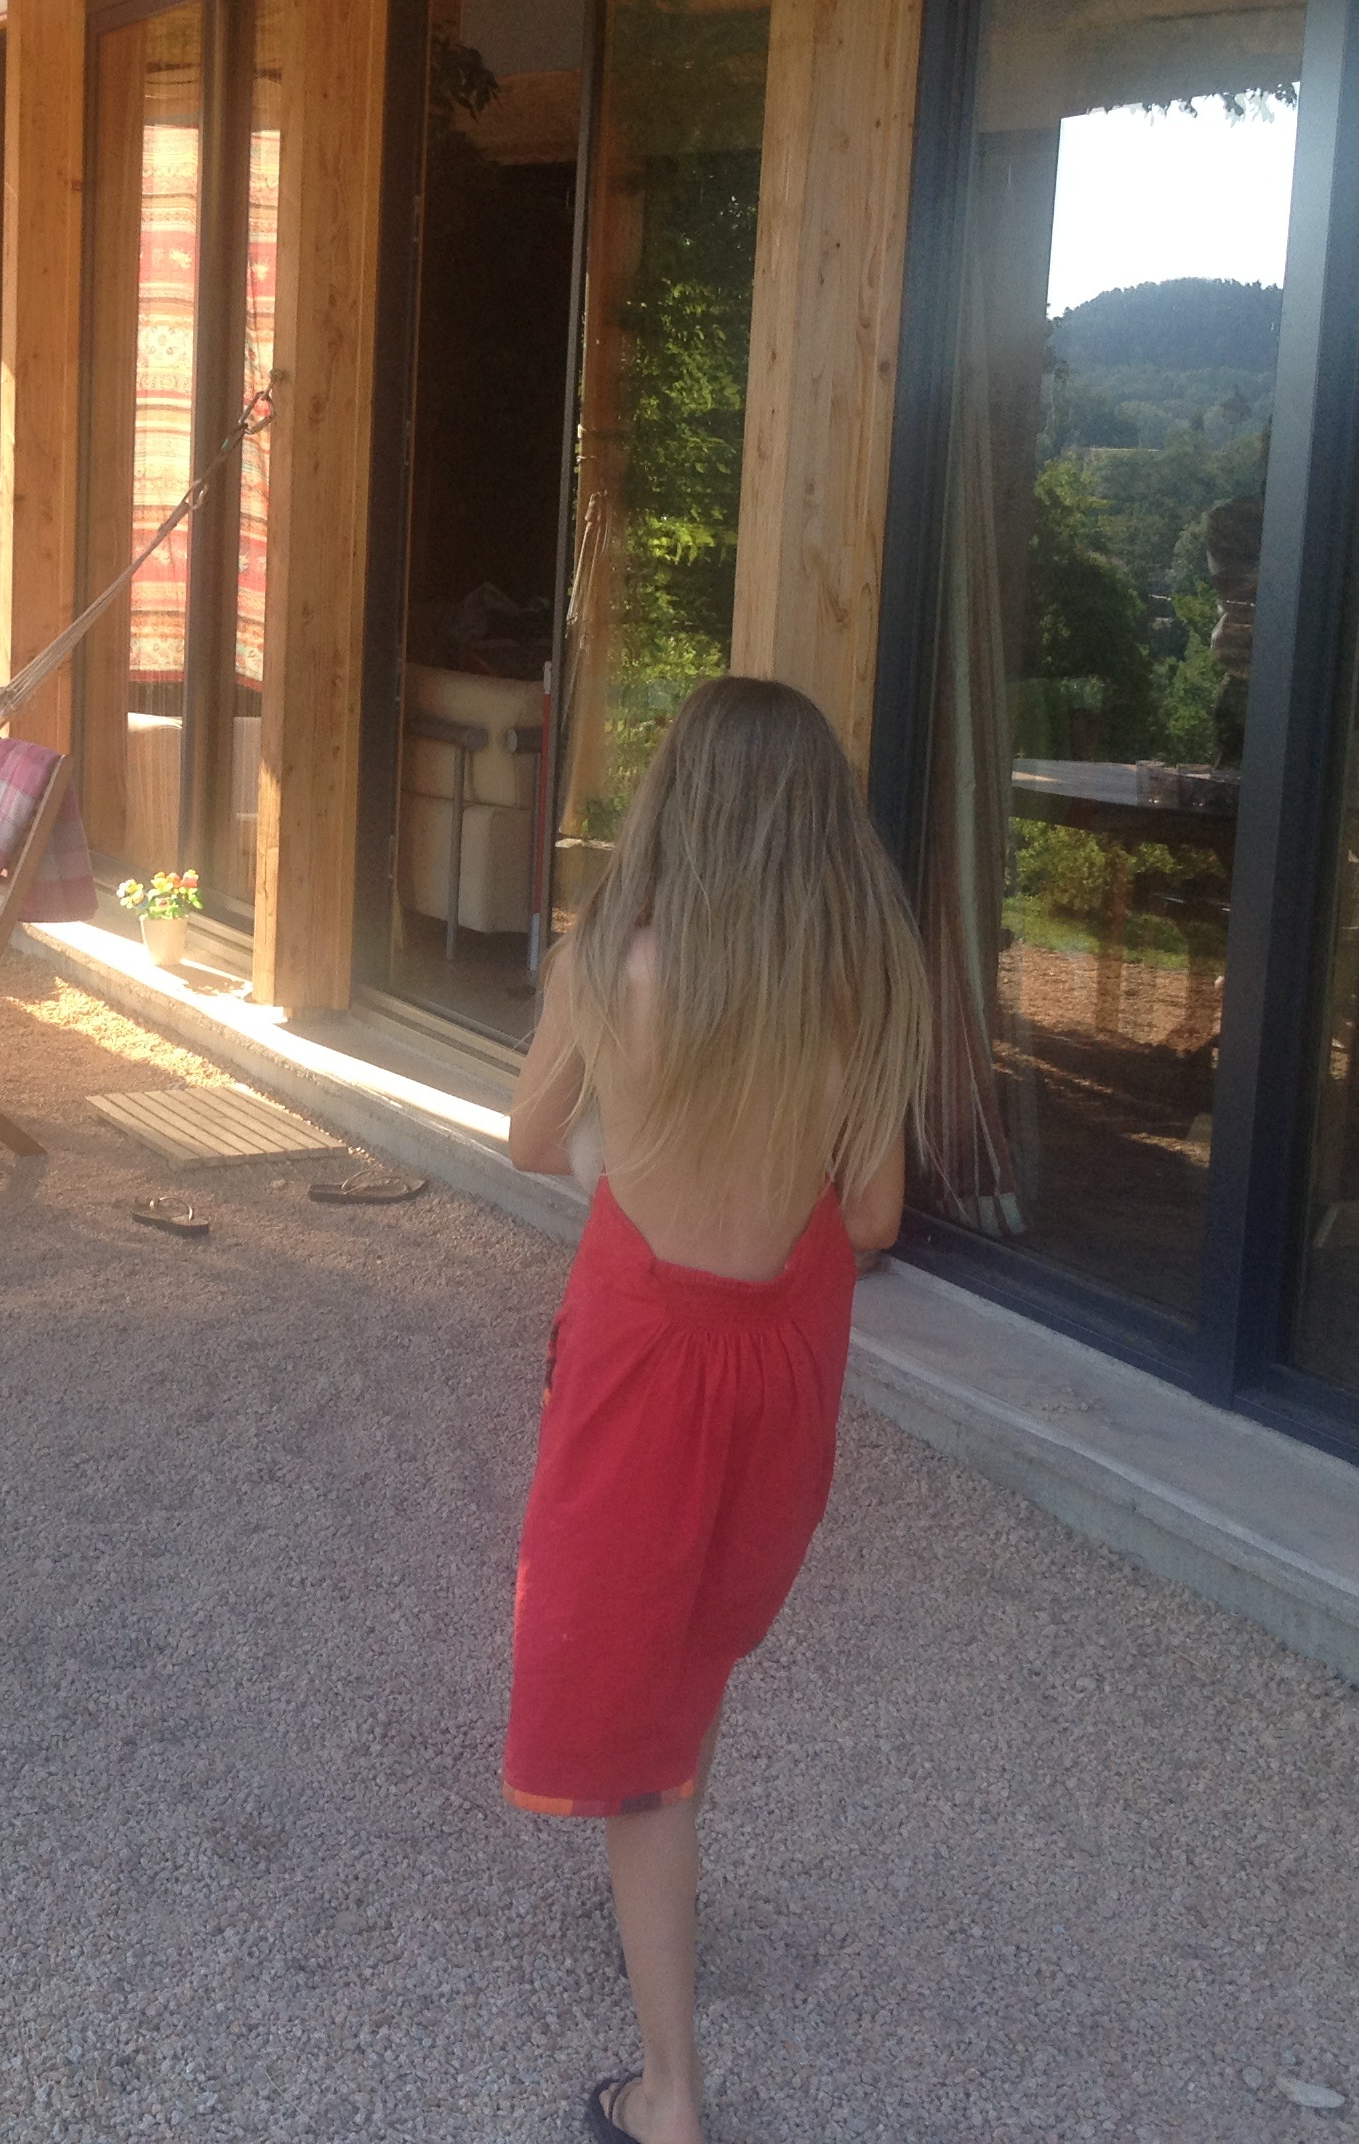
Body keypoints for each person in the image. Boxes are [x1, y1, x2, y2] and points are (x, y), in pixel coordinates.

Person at [502, 676, 930, 2144]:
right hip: (783, 1370)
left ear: (679, 799)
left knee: (632, 1713)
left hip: (646, 1362)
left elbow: (532, 1137)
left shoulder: (610, 958)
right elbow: (869, 1213)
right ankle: (662, 1888)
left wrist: (646, 1142)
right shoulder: (866, 982)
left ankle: (670, 2094)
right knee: (694, 1650)